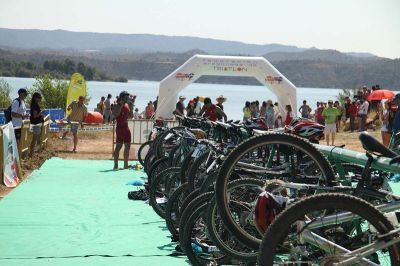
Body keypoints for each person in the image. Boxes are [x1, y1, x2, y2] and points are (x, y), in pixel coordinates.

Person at [113, 91, 133, 169]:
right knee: (119, 146)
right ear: (122, 97)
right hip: (120, 128)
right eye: (126, 97)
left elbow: (131, 116)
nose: (127, 98)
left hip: (126, 128)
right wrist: (121, 106)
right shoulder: (116, 104)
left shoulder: (127, 105)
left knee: (127, 146)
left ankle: (125, 165)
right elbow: (116, 115)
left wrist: (131, 107)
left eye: (128, 97)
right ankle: (116, 165)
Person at [29, 92, 44, 157]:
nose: (40, 99)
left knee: (36, 139)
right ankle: (31, 154)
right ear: (35, 98)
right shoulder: (35, 105)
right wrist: (41, 112)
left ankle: (33, 153)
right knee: (34, 140)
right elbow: (35, 116)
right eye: (39, 97)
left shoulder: (34, 104)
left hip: (36, 123)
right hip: (36, 124)